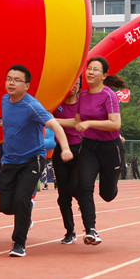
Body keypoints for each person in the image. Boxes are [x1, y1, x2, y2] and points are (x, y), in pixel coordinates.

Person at [0, 64, 72, 257]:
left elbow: (55, 126)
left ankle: (19, 243)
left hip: (32, 159)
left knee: (22, 199)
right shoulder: (5, 100)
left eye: (16, 80)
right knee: (5, 206)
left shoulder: (33, 106)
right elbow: (14, 119)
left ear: (27, 86)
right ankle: (26, 213)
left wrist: (64, 148)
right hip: (10, 160)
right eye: (8, 79)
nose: (11, 83)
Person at [75, 56, 127, 246]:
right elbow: (77, 122)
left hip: (110, 148)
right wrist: (48, 121)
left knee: (107, 195)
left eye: (95, 69)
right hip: (89, 146)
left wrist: (89, 123)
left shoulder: (108, 95)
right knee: (84, 187)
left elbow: (115, 123)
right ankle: (91, 230)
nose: (90, 72)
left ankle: (113, 183)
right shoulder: (83, 96)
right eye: (88, 68)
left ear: (104, 75)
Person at [51, 80, 84, 245]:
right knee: (63, 196)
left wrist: (55, 122)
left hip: (80, 151)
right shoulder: (57, 104)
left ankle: (88, 220)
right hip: (61, 151)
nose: (74, 86)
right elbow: (46, 119)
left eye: (78, 83)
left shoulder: (83, 103)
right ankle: (70, 231)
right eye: (72, 82)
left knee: (75, 187)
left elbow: (77, 123)